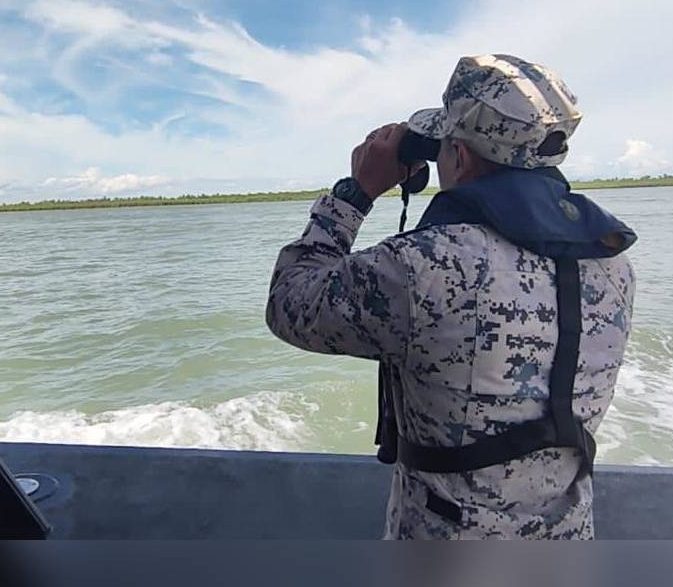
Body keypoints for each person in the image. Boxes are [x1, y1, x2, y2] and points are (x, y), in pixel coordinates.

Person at [265, 54, 637, 540]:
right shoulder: (613, 262)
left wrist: (355, 192)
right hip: (569, 533)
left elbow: (290, 303)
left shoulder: (425, 265)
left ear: (459, 157)